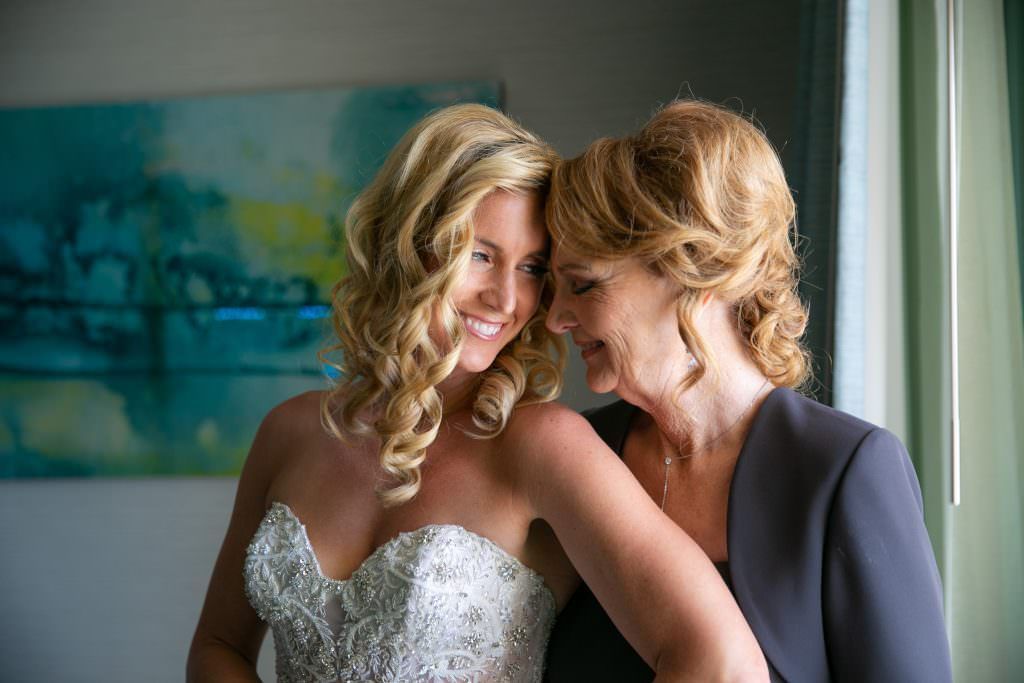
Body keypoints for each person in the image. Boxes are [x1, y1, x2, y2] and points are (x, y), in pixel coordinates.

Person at [186, 103, 767, 682]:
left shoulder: (543, 445)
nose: (506, 299)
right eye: (482, 255)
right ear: (410, 244)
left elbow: (723, 662)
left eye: (533, 269)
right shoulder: (287, 434)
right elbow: (218, 646)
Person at [542, 100, 952, 682]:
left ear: (694, 271)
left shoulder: (843, 471)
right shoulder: (578, 454)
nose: (557, 318)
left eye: (582, 285)